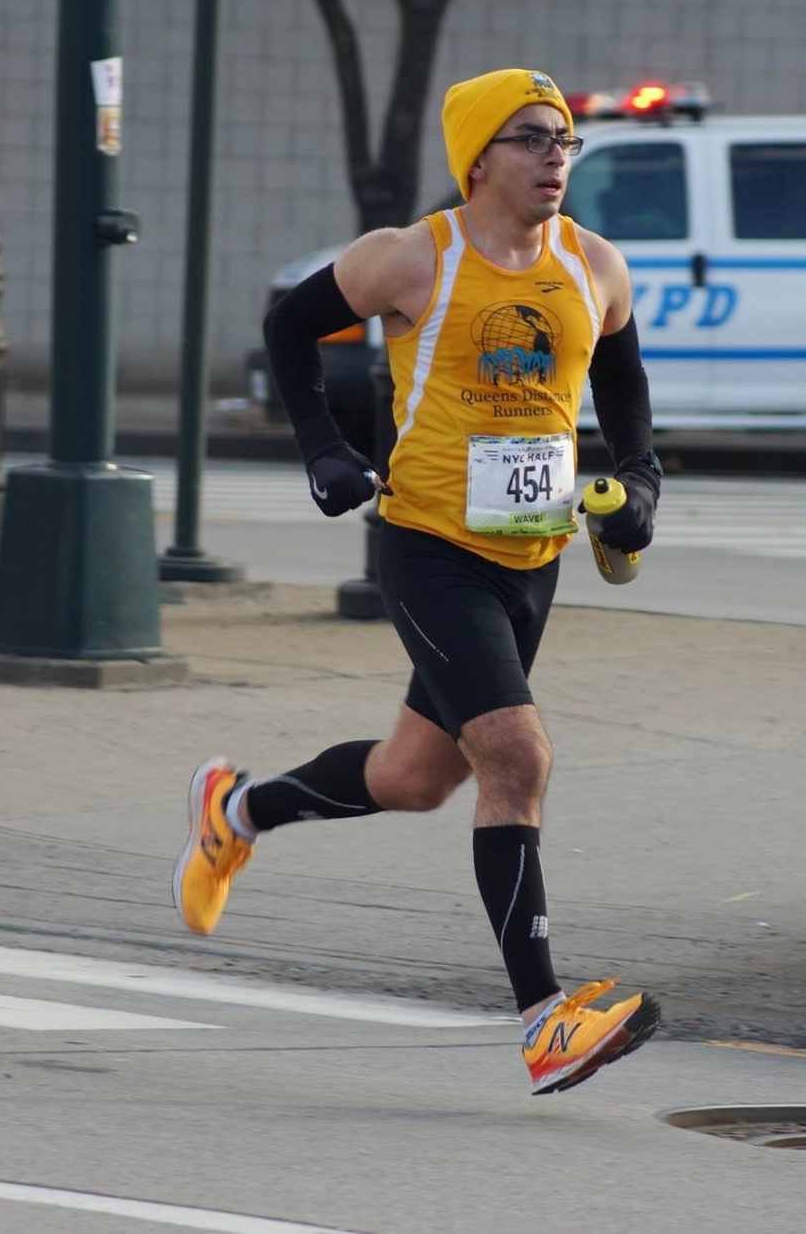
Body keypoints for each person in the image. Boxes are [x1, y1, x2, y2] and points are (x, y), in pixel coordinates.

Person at [174, 68, 663, 1095]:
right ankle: (542, 1021)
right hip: (430, 547)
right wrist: (322, 449)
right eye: (532, 139)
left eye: (564, 140)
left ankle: (237, 811)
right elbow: (288, 331)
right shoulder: (409, 258)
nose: (554, 158)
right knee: (517, 761)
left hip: (533, 556)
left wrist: (641, 480)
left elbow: (620, 375)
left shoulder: (594, 266)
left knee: (415, 778)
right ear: (478, 156)